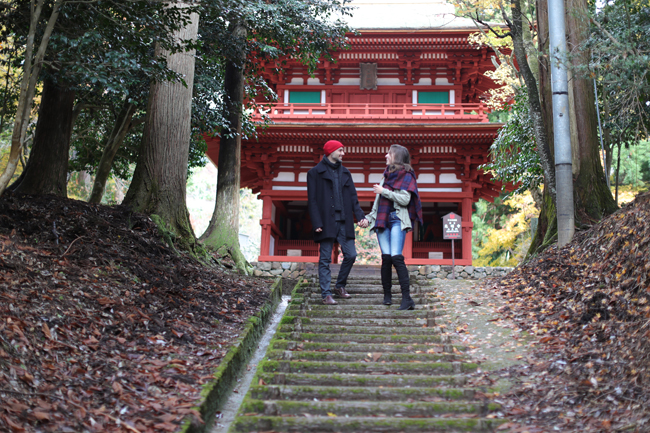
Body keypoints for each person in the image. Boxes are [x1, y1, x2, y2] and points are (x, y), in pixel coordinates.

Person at [307, 140, 368, 305]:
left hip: (344, 220)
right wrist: (316, 222)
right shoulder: (314, 173)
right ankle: (326, 294)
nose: (343, 154)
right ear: (330, 151)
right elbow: (312, 200)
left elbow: (354, 198)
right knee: (325, 258)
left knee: (351, 255)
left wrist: (361, 216)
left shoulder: (346, 173)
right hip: (325, 221)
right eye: (340, 150)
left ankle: (339, 285)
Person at [365, 144, 423, 310]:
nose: (385, 155)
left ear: (396, 156)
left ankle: (407, 299)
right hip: (382, 220)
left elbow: (404, 200)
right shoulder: (386, 176)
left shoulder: (407, 176)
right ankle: (387, 296)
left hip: (397, 219)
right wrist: (368, 219)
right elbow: (376, 206)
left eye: (388, 153)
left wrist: (384, 191)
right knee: (386, 258)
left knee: (397, 257)